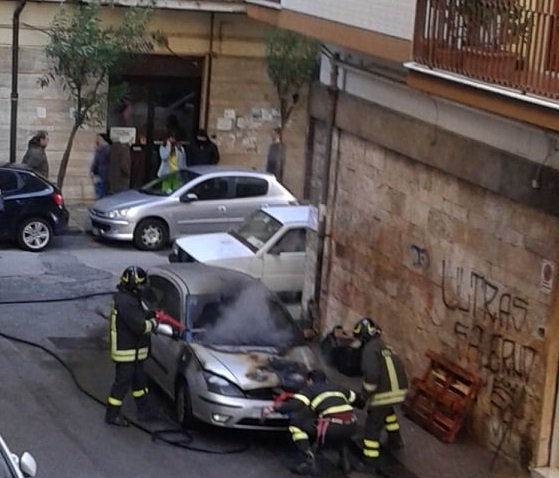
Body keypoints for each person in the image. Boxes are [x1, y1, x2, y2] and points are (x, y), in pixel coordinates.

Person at [267, 369, 358, 475]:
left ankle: (308, 459)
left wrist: (274, 408)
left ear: (309, 381)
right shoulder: (339, 388)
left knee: (296, 424)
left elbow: (295, 405)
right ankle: (344, 460)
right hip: (352, 426)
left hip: (332, 426)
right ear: (326, 380)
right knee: (341, 429)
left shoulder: (310, 389)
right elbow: (358, 400)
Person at [105, 266, 160, 426]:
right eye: (140, 286)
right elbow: (140, 327)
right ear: (132, 285)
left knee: (140, 382)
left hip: (134, 351)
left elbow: (138, 315)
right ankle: (112, 414)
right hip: (126, 351)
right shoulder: (125, 302)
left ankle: (145, 411)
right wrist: (154, 323)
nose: (142, 289)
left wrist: (150, 314)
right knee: (122, 383)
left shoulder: (128, 298)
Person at [353, 317, 408, 474]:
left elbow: (372, 375)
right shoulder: (385, 346)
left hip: (385, 392)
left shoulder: (369, 350)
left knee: (373, 423)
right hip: (400, 390)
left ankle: (369, 460)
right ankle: (395, 440)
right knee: (387, 412)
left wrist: (364, 395)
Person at [90, 133, 111, 199]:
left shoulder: (107, 149)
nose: (96, 140)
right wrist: (93, 171)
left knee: (101, 192)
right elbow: (96, 162)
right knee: (98, 191)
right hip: (98, 173)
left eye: (98, 138)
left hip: (104, 173)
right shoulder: (99, 149)